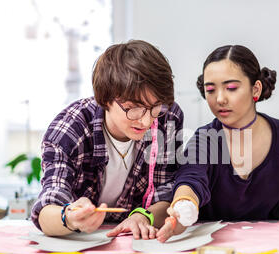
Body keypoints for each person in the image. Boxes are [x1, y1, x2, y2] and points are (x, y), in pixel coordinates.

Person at [157, 44, 279, 242]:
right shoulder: (205, 138)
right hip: (214, 244)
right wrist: (183, 206)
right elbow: (191, 180)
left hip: (274, 242)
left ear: (255, 88)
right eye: (210, 90)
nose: (219, 99)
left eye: (231, 88)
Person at [31, 40, 183, 239]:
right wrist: (70, 218)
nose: (146, 120)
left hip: (136, 242)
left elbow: (166, 192)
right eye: (133, 107)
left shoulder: (167, 118)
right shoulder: (70, 129)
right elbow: (46, 211)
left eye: (155, 107)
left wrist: (143, 217)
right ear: (105, 99)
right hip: (79, 241)